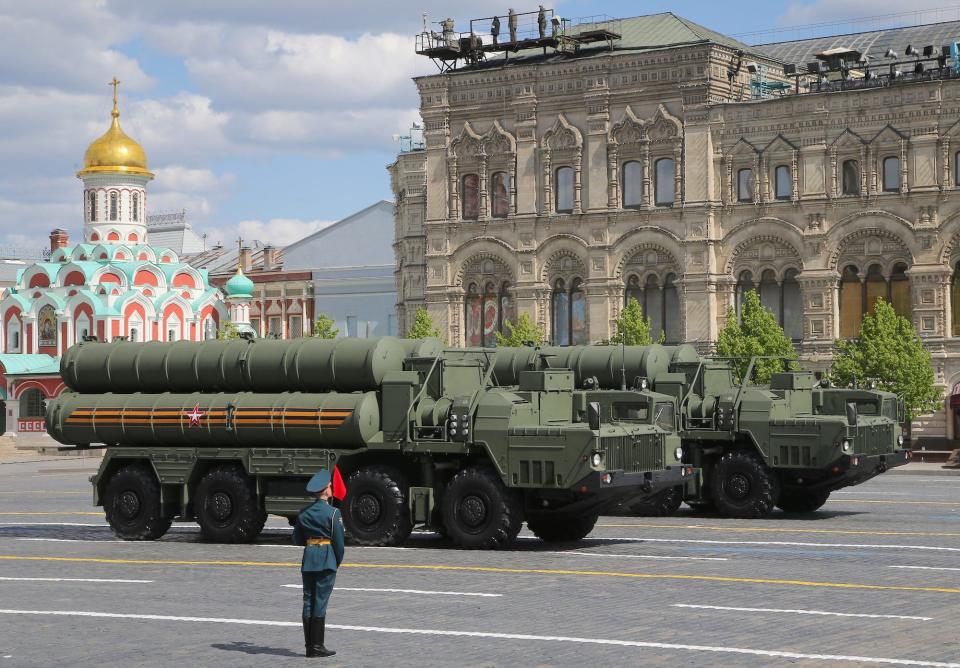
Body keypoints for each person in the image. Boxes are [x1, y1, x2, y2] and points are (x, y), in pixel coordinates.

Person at [293, 470, 345, 658]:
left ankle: (309, 646)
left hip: (309, 559)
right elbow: (339, 544)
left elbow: (297, 539)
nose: (331, 487)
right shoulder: (333, 513)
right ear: (325, 490)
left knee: (308, 600)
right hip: (326, 560)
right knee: (320, 602)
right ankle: (318, 646)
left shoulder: (304, 513)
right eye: (330, 486)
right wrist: (336, 561)